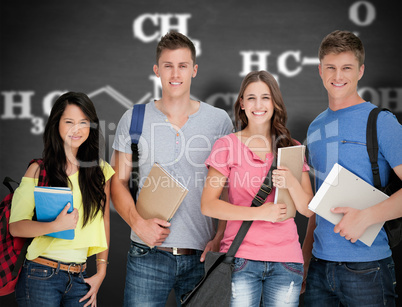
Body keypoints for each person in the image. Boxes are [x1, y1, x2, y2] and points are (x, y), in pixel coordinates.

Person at [110, 31, 233, 306]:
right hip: (147, 254)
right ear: (157, 70)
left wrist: (220, 237)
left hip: (200, 256)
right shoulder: (134, 118)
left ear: (194, 70)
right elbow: (116, 183)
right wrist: (139, 225)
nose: (175, 73)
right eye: (168, 65)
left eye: (182, 65)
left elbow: (227, 186)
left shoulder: (219, 121)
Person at [302, 30, 402, 306]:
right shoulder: (315, 127)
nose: (338, 76)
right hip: (319, 269)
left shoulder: (381, 122)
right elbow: (317, 203)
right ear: (320, 70)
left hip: (368, 268)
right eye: (331, 68)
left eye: (346, 68)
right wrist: (305, 259)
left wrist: (367, 216)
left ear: (360, 71)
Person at [201, 70, 314, 306]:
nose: (258, 104)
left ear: (275, 103)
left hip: (286, 261)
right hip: (241, 259)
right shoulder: (227, 145)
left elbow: (308, 210)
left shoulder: (291, 147)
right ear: (241, 103)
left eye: (265, 97)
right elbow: (208, 204)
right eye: (251, 97)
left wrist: (291, 182)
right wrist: (259, 213)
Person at [9, 92, 114, 307]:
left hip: (80, 278)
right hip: (40, 275)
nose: (77, 129)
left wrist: (101, 271)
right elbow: (16, 227)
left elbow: (104, 221)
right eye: (69, 122)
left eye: (83, 122)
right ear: (56, 124)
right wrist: (55, 225)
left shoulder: (100, 171)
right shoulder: (38, 170)